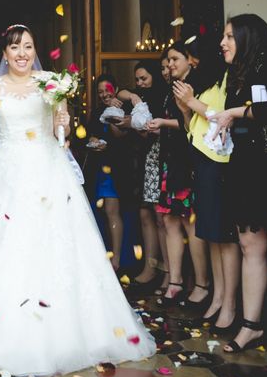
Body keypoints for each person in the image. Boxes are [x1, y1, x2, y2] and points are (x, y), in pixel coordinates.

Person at [0, 25, 156, 376]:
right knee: (6, 246)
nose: (22, 54)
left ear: (35, 50)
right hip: (7, 172)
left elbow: (64, 131)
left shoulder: (50, 82)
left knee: (57, 244)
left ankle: (70, 332)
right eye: (15, 48)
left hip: (48, 168)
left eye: (28, 46)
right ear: (5, 53)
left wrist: (65, 120)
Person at [209, 14, 267, 358]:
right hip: (246, 168)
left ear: (248, 38)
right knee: (251, 245)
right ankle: (251, 326)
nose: (223, 43)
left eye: (229, 37)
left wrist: (234, 114)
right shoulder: (235, 74)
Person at [173, 33, 239, 333]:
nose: (194, 62)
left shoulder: (227, 79)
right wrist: (186, 111)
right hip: (200, 159)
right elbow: (194, 128)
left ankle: (229, 304)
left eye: (194, 56)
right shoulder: (207, 82)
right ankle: (217, 297)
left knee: (224, 237)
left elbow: (222, 118)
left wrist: (191, 102)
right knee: (211, 235)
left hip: (220, 164)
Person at [148, 42, 209, 310]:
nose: (170, 64)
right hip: (170, 161)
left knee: (189, 223)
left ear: (190, 61)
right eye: (168, 60)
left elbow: (195, 122)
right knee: (169, 220)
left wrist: (162, 123)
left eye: (175, 59)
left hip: (187, 161)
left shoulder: (196, 85)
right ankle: (175, 281)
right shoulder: (169, 88)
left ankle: (202, 284)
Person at [122, 61, 169, 291]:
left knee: (161, 217)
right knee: (144, 213)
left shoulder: (163, 95)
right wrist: (133, 96)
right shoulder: (138, 94)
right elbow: (120, 92)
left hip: (159, 158)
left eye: (144, 78)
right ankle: (150, 266)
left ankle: (168, 271)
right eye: (137, 79)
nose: (140, 83)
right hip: (139, 159)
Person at [85, 74, 139, 271]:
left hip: (116, 168)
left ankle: (116, 260)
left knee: (112, 211)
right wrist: (95, 143)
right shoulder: (97, 111)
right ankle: (106, 255)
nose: (104, 94)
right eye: (100, 91)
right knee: (101, 213)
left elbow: (120, 135)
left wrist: (113, 113)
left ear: (115, 89)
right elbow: (91, 134)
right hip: (98, 168)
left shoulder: (124, 109)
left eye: (107, 90)